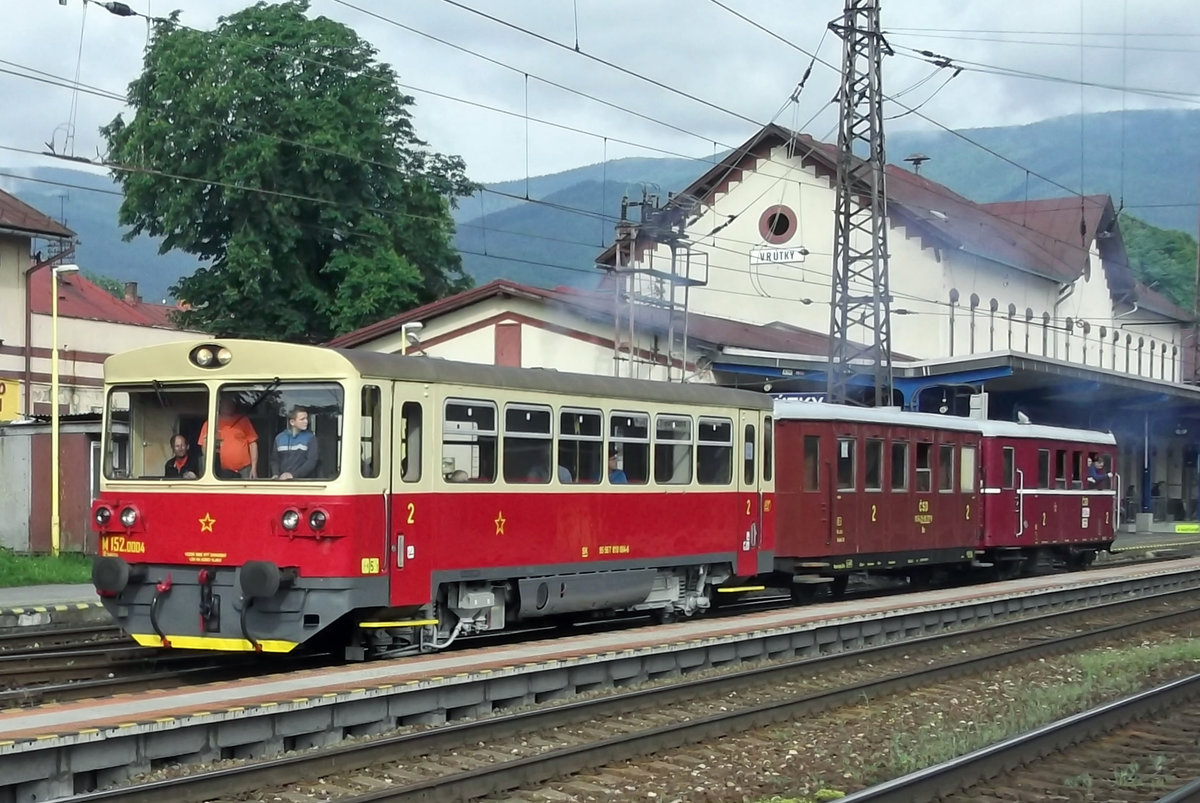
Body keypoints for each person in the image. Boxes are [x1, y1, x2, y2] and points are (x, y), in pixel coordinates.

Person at [199, 396, 259, 479]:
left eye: (231, 403)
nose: (228, 405)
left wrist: (254, 468)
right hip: (219, 473)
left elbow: (253, 443)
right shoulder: (210, 423)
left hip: (244, 470)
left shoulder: (243, 420)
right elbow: (204, 447)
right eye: (226, 403)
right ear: (219, 405)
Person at [271, 406, 319, 480]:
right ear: (292, 422)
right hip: (281, 482)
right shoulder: (279, 438)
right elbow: (275, 460)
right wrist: (275, 474)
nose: (306, 421)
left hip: (303, 483)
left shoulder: (311, 438)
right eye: (302, 419)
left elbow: (312, 461)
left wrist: (293, 475)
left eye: (306, 418)